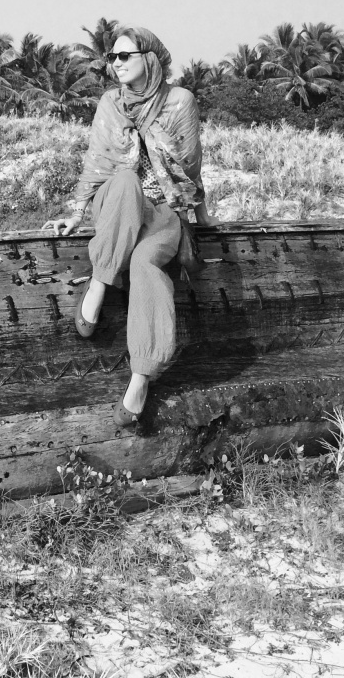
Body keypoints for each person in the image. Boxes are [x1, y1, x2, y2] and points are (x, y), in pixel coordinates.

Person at [43, 26, 213, 427]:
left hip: (163, 209)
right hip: (117, 204)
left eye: (124, 56)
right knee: (124, 180)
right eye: (111, 57)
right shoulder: (111, 102)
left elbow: (190, 166)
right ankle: (100, 283)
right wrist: (76, 212)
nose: (115, 64)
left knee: (144, 263)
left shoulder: (180, 101)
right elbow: (97, 161)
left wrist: (202, 217)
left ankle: (142, 375)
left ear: (148, 58)